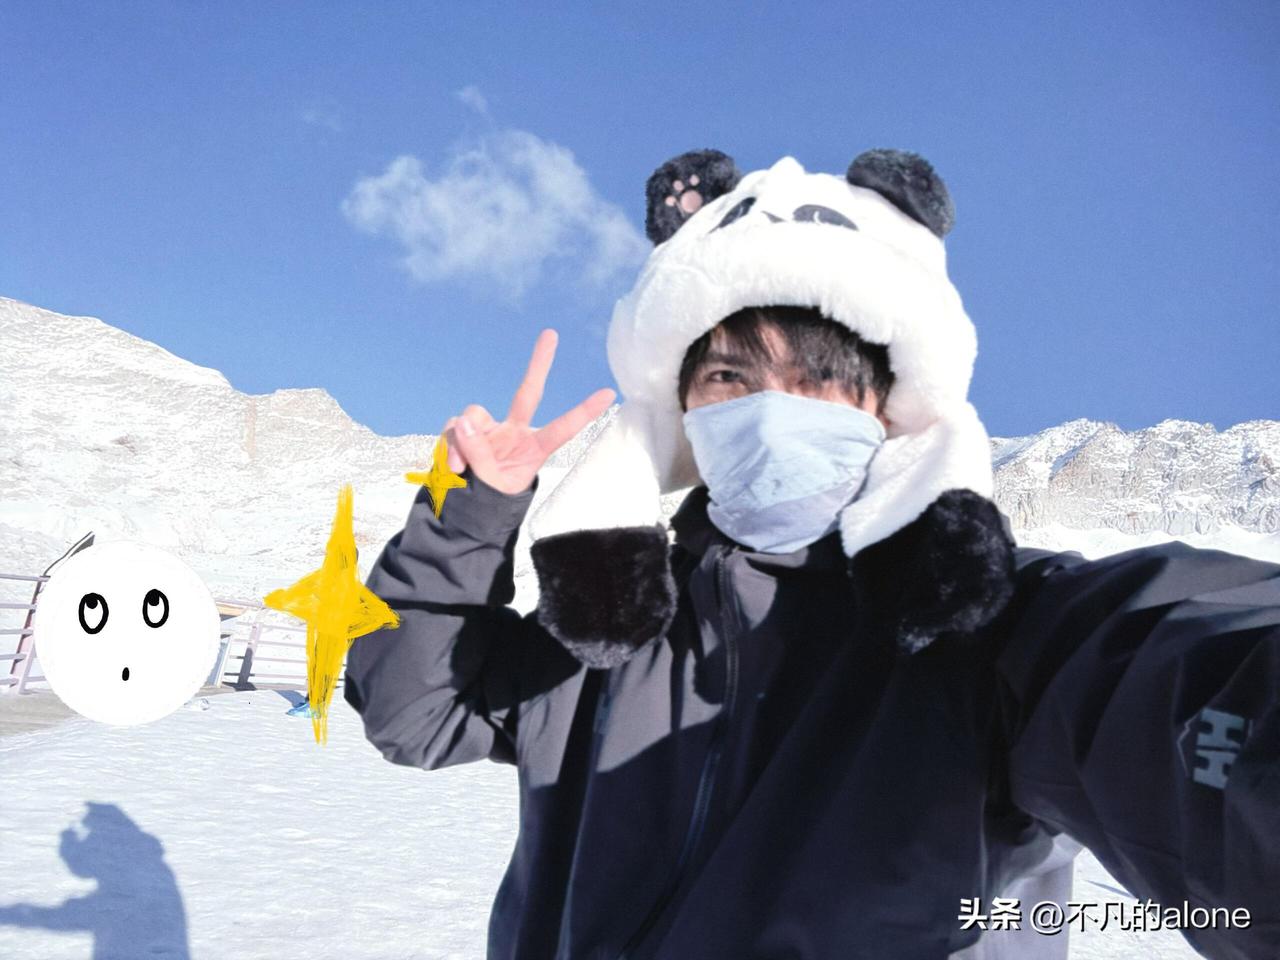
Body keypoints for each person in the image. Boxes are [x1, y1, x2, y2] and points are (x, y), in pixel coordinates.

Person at [343, 149, 1279, 960]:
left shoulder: (979, 629)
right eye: (729, 375)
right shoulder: (609, 632)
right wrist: (470, 513)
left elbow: (1166, 666)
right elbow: (413, 710)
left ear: (887, 412)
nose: (772, 407)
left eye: (820, 377)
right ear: (681, 410)